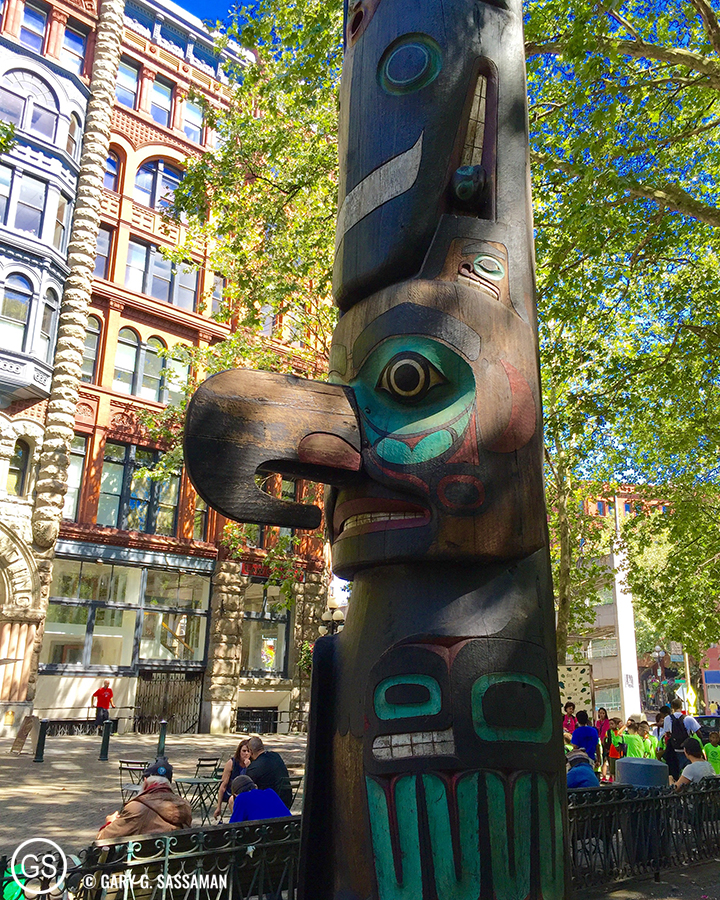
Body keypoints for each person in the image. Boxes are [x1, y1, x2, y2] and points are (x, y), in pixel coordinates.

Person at [97, 758, 191, 839]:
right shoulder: (185, 806)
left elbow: (103, 838)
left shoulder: (137, 808)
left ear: (145, 781)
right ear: (168, 783)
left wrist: (110, 822)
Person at [246, 737, 293, 808]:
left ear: (251, 751)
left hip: (268, 803)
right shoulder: (276, 756)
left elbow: (246, 785)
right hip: (286, 800)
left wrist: (247, 767)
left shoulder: (254, 767)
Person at [214, 739, 251, 819]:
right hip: (231, 792)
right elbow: (223, 786)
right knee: (232, 799)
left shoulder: (252, 764)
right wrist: (218, 807)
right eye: (244, 751)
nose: (246, 753)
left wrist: (248, 767)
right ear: (239, 751)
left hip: (247, 792)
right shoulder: (231, 763)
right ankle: (238, 820)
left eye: (248, 751)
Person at [662, 697, 701, 771]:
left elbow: (667, 734)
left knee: (676, 771)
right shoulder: (688, 718)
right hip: (687, 750)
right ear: (681, 707)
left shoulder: (667, 719)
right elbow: (698, 733)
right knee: (688, 771)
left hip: (674, 750)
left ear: (672, 707)